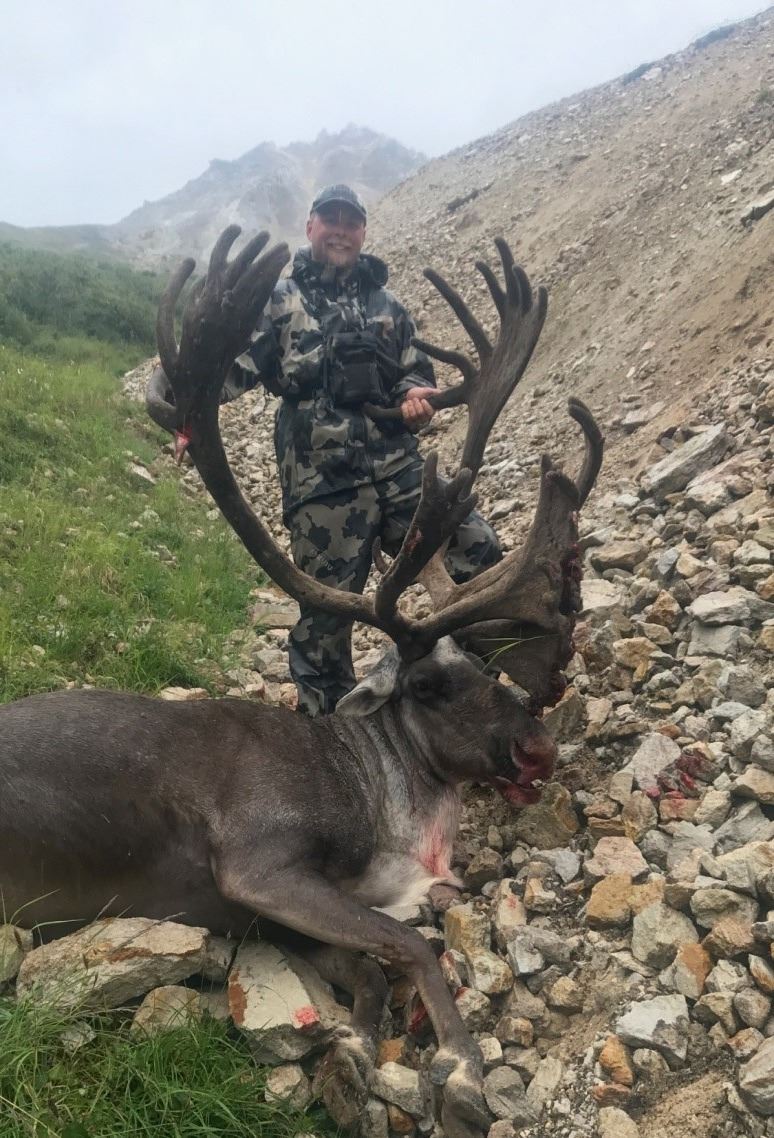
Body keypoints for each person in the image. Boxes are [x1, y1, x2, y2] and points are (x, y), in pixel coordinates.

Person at [222, 184, 501, 715]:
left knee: (480, 552)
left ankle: (471, 700)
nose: (341, 231)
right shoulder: (278, 301)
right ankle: (329, 739)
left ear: (363, 232)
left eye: (351, 223)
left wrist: (416, 398)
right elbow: (232, 369)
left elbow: (414, 375)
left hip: (399, 471)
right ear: (311, 227)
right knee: (325, 620)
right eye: (330, 220)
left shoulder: (387, 306)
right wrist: (184, 408)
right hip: (323, 484)